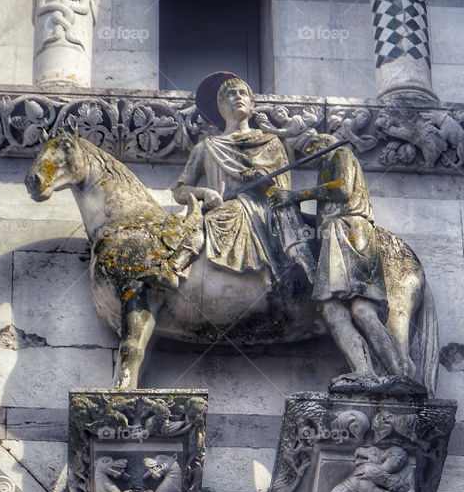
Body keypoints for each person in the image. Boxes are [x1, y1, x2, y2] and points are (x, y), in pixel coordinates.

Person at [270, 132, 404, 377]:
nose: (310, 154)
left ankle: (400, 373)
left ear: (325, 143)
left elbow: (341, 189)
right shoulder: (324, 168)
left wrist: (295, 195)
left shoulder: (341, 154)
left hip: (350, 232)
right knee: (333, 311)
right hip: (332, 236)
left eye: (312, 146)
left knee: (362, 311)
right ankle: (364, 371)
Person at [172, 72, 315, 282]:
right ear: (221, 108)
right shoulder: (206, 147)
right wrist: (204, 192)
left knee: (286, 214)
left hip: (266, 210)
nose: (238, 97)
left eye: (243, 93)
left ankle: (306, 266)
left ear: (251, 104)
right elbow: (179, 190)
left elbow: (284, 190)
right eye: (231, 94)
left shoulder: (272, 142)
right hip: (224, 209)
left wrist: (264, 180)